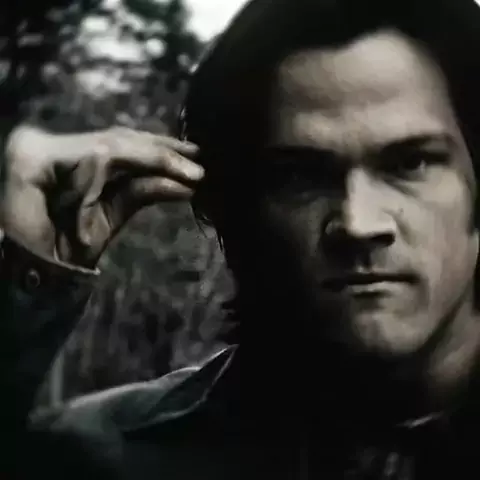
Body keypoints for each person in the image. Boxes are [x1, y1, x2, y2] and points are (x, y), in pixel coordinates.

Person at [2, 0, 480, 477]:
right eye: (300, 175)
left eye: (410, 164)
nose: (358, 222)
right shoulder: (95, 459)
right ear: (231, 208)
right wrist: (21, 294)